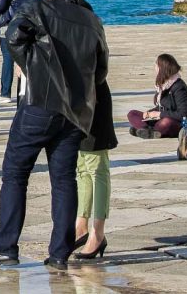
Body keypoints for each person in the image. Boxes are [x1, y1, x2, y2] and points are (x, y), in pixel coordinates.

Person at [0, 0, 108, 272]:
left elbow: (12, 37)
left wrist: (34, 66)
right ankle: (60, 252)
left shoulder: (37, 8)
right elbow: (101, 71)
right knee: (64, 181)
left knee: (15, 174)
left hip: (40, 105)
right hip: (75, 114)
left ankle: (6, 246)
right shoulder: (92, 21)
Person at [75, 78, 117, 261]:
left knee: (96, 166)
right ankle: (81, 226)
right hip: (73, 97)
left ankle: (98, 232)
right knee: (82, 167)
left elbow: (100, 66)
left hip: (93, 98)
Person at [127, 53, 187, 138]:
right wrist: (149, 114)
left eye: (157, 65)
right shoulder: (162, 85)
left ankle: (144, 130)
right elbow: (162, 106)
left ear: (162, 69)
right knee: (132, 114)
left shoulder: (179, 87)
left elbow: (183, 114)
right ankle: (147, 130)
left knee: (166, 122)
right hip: (160, 118)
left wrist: (158, 114)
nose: (155, 68)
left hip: (178, 122)